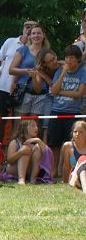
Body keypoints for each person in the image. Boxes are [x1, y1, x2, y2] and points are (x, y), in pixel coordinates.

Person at [0, 20, 36, 143]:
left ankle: (10, 152)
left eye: (32, 28)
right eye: (27, 27)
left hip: (21, 90)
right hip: (3, 86)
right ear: (23, 28)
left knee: (16, 123)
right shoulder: (10, 41)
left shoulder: (34, 49)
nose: (29, 30)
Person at [47, 45, 86, 173]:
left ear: (78, 59)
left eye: (72, 58)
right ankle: (53, 171)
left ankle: (70, 170)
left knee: (72, 144)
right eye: (67, 57)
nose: (68, 60)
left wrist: (61, 92)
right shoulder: (59, 71)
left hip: (73, 112)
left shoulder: (83, 72)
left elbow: (79, 94)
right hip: (56, 110)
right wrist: (63, 72)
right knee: (54, 144)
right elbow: (53, 91)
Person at [8, 22, 51, 112]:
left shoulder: (48, 52)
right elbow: (11, 70)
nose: (36, 36)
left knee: (36, 123)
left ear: (43, 35)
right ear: (30, 36)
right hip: (24, 91)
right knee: (20, 123)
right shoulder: (23, 50)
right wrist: (27, 71)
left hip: (41, 92)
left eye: (39, 33)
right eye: (33, 33)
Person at [2, 120, 52, 185]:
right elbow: (9, 161)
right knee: (25, 150)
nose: (36, 128)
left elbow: (49, 154)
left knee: (37, 148)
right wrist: (20, 152)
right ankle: (21, 179)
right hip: (14, 169)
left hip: (30, 170)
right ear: (25, 128)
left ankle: (33, 179)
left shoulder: (37, 143)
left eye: (36, 126)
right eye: (33, 126)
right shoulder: (14, 142)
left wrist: (38, 140)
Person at [60, 121, 86, 193]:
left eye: (81, 132)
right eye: (75, 132)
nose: (77, 134)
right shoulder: (68, 146)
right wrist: (65, 183)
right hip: (75, 177)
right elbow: (66, 167)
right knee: (82, 159)